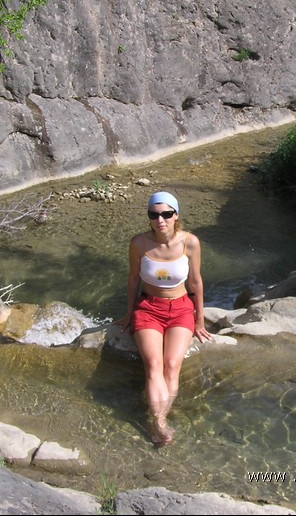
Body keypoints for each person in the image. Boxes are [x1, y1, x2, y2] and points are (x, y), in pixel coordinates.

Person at [116, 191, 212, 446]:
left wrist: (199, 320)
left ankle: (159, 418)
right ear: (149, 217)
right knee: (154, 363)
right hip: (148, 308)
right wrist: (129, 312)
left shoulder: (190, 242)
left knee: (172, 363)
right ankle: (159, 422)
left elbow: (196, 282)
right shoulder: (138, 243)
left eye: (166, 214)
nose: (160, 220)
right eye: (154, 214)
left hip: (181, 308)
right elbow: (133, 279)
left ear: (176, 215)